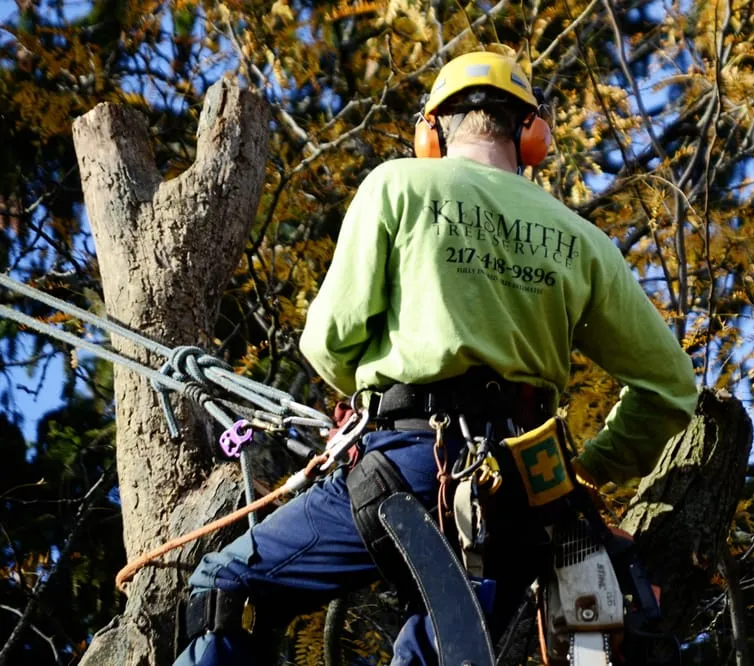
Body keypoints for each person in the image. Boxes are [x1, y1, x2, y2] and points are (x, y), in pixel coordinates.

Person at [172, 49, 697, 666]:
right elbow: (670, 387)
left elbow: (329, 339)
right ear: (532, 133)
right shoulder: (583, 241)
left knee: (223, 587)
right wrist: (591, 470)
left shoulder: (399, 184)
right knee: (442, 652)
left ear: (432, 130)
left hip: (406, 466)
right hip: (525, 500)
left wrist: (371, 401)